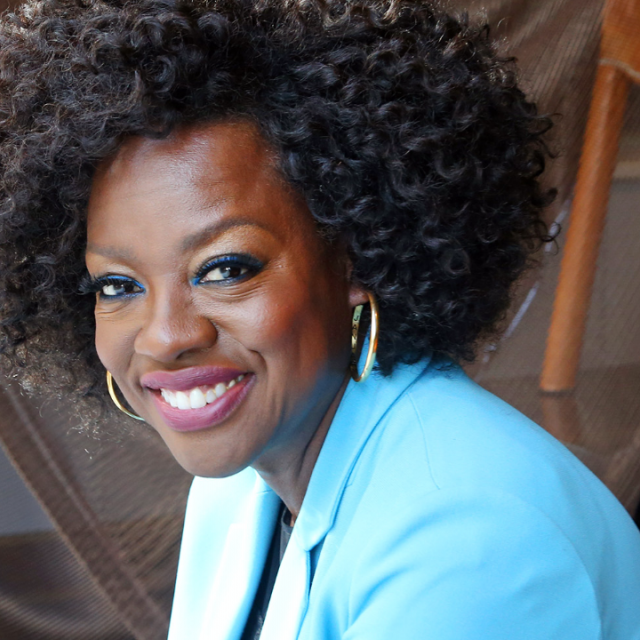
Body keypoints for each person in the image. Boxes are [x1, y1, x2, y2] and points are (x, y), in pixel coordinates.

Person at [0, 1, 639, 639]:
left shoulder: (471, 536)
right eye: (118, 285)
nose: (166, 337)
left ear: (356, 255)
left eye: (225, 269)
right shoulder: (241, 485)